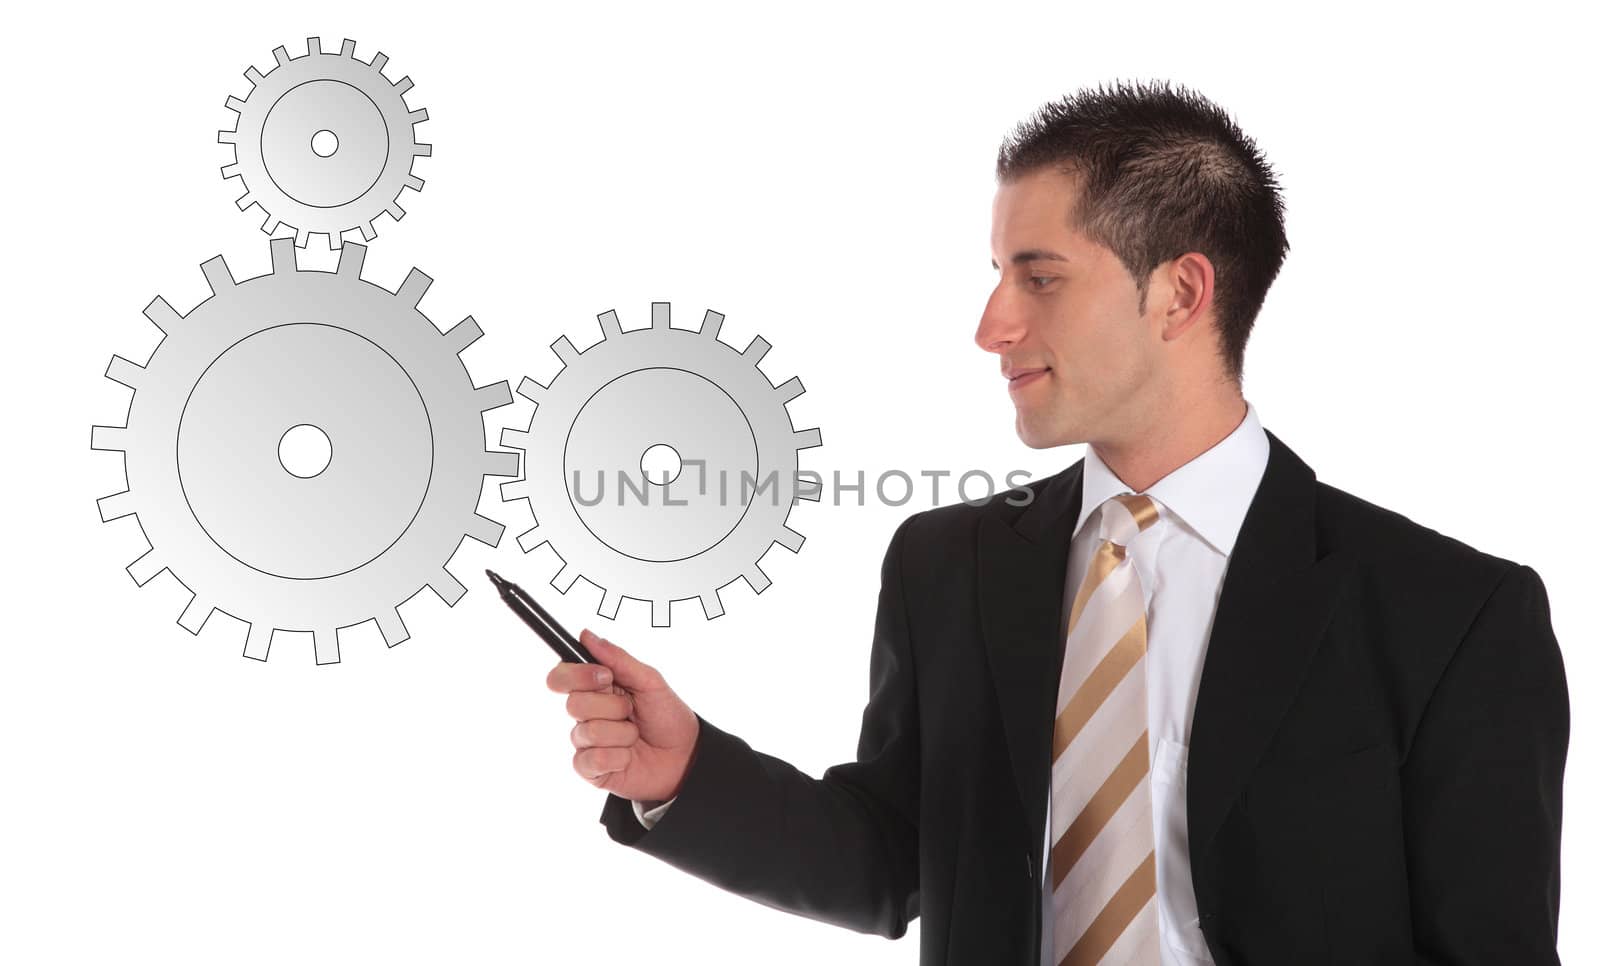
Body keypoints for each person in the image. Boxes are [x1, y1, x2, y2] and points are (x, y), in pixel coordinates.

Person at [546, 79, 1570, 965]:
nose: (992, 326)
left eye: (1037, 277)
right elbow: (896, 861)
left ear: (1179, 293)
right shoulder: (948, 565)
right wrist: (684, 774)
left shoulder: (1451, 614)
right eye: (996, 276)